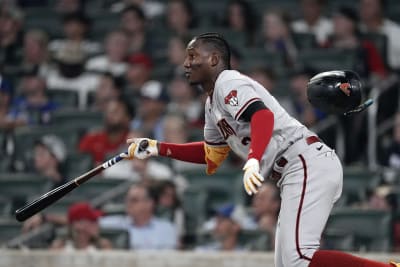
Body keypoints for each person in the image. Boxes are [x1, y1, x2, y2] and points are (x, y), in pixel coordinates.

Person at [124, 32, 399, 267]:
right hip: (295, 168)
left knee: (297, 259)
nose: (186, 63)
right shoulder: (212, 105)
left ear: (214, 60)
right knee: (287, 264)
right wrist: (159, 148)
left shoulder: (228, 82)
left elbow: (262, 116)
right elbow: (211, 155)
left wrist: (254, 159)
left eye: (193, 56)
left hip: (302, 160)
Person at [99, 183, 178, 250]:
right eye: (127, 199)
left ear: (149, 203)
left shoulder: (166, 229)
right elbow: (90, 224)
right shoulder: (113, 224)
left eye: (134, 200)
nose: (128, 204)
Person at [79, 97, 134, 165]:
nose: (110, 115)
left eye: (115, 112)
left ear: (127, 118)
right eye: (108, 112)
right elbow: (80, 164)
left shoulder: (133, 141)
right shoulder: (92, 138)